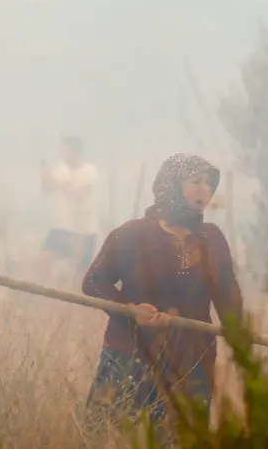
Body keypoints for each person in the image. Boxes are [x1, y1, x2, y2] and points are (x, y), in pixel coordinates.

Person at [82, 153, 244, 434]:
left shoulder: (211, 238)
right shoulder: (132, 234)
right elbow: (95, 282)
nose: (204, 189)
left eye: (209, 183)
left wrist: (238, 332)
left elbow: (228, 294)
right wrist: (128, 309)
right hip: (129, 357)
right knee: (108, 435)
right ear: (171, 185)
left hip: (192, 361)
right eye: (195, 181)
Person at [39, 136, 100, 285]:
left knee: (80, 279)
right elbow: (47, 190)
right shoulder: (60, 169)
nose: (62, 154)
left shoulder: (89, 171)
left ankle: (72, 303)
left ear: (75, 151)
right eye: (61, 151)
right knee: (43, 261)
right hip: (62, 227)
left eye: (65, 150)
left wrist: (57, 183)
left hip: (83, 231)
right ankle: (48, 296)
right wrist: (44, 178)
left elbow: (79, 196)